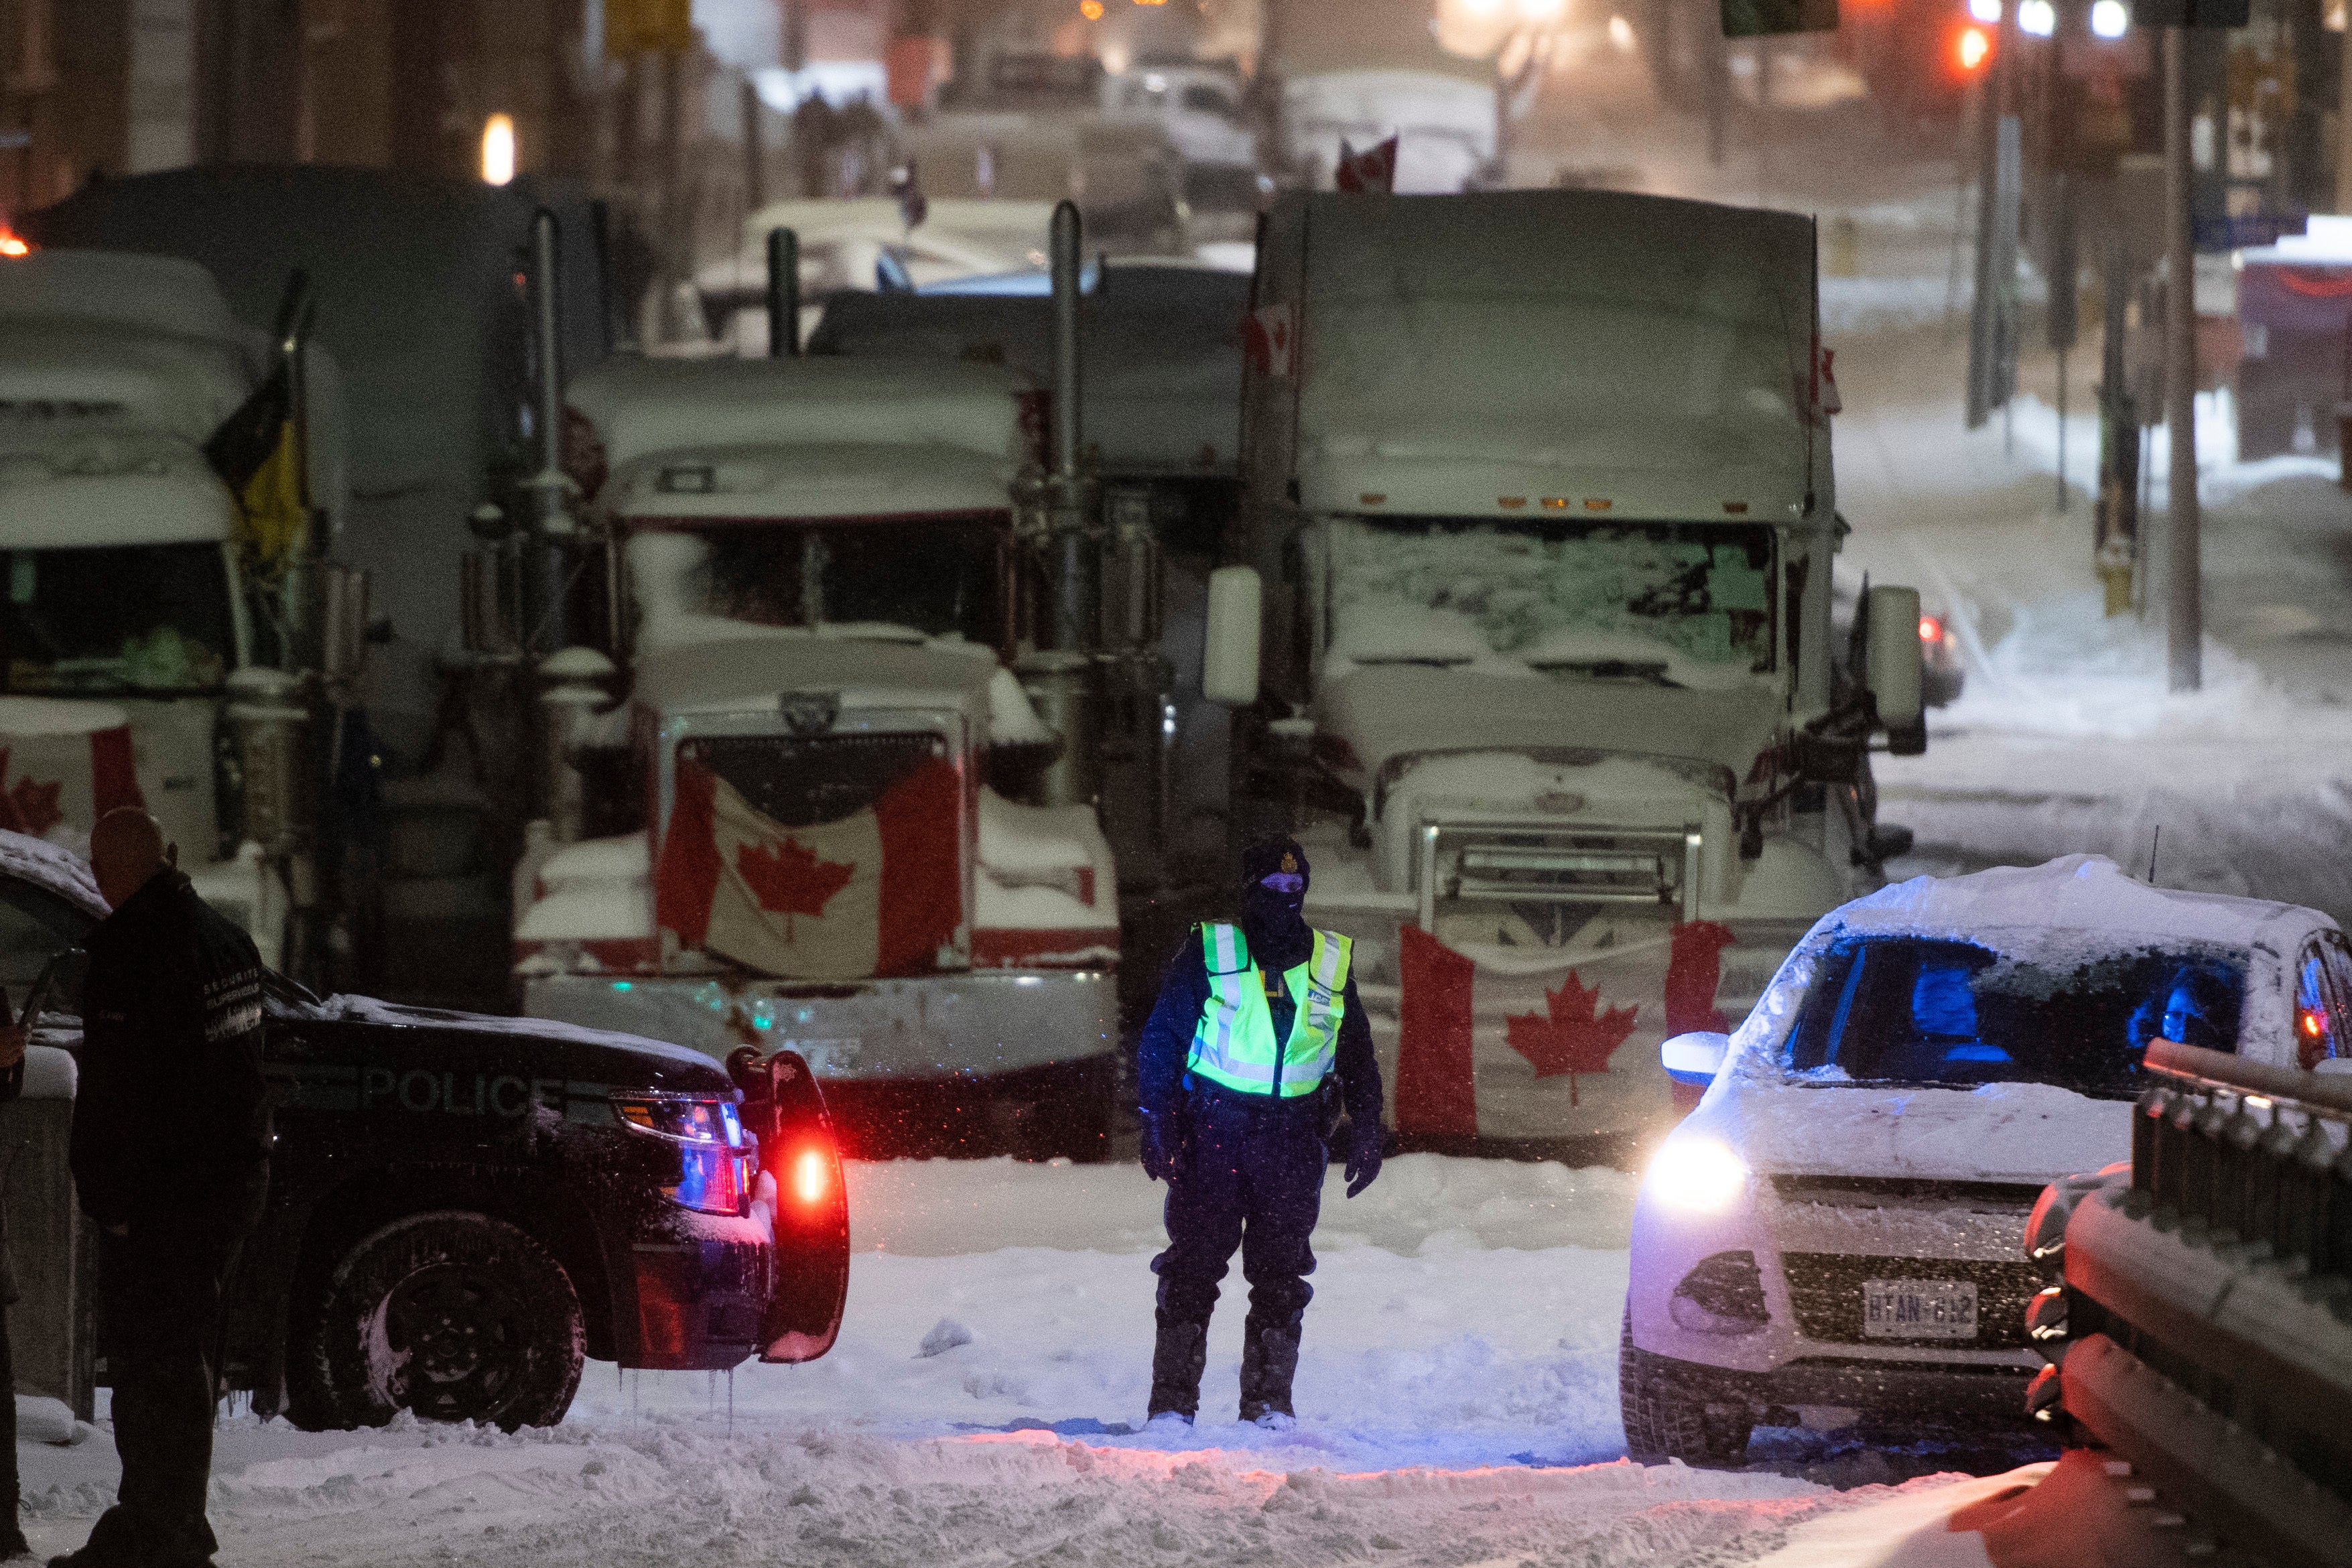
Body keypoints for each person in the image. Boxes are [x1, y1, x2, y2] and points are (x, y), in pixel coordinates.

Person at [50, 809, 269, 1568]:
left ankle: (156, 1534)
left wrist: (112, 1204)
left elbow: (122, 1097)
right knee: (184, 1364)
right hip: (224, 1187)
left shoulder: (137, 953)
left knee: (153, 1374)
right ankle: (173, 1522)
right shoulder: (224, 939)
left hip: (163, 1203)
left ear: (110, 874)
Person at [1134, 836, 1384, 1429]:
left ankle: (1269, 1407)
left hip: (1293, 1142)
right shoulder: (1212, 951)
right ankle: (1172, 1409)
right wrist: (1158, 1120)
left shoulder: (1330, 961)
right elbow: (1161, 1042)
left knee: (1281, 1276)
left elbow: (1357, 1055)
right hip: (1213, 1135)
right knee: (1192, 1269)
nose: (1284, 899)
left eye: (1295, 889)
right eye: (1271, 888)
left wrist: (1369, 1125)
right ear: (1248, 892)